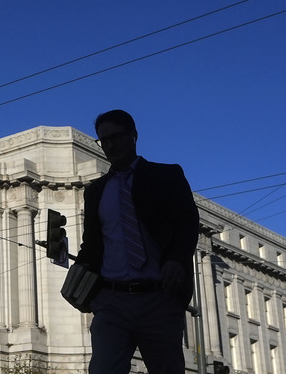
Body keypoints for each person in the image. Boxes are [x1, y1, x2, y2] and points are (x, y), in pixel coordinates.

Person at [76, 110, 200, 374]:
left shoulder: (165, 175)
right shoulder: (96, 191)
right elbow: (92, 244)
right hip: (111, 301)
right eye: (104, 140)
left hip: (158, 297)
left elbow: (187, 224)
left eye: (116, 137)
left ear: (133, 135)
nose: (111, 145)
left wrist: (177, 260)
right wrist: (79, 282)